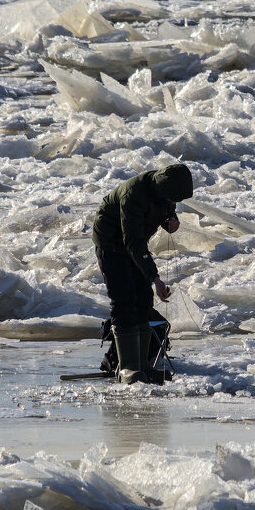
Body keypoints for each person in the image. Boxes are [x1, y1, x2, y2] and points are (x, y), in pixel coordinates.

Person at [92, 163, 193, 383]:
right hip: (111, 242)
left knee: (144, 301)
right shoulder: (134, 195)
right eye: (172, 199)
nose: (173, 203)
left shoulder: (164, 194)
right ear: (163, 190)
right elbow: (133, 243)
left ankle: (143, 366)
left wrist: (170, 221)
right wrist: (154, 278)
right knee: (124, 300)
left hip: (133, 243)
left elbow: (163, 209)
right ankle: (128, 367)